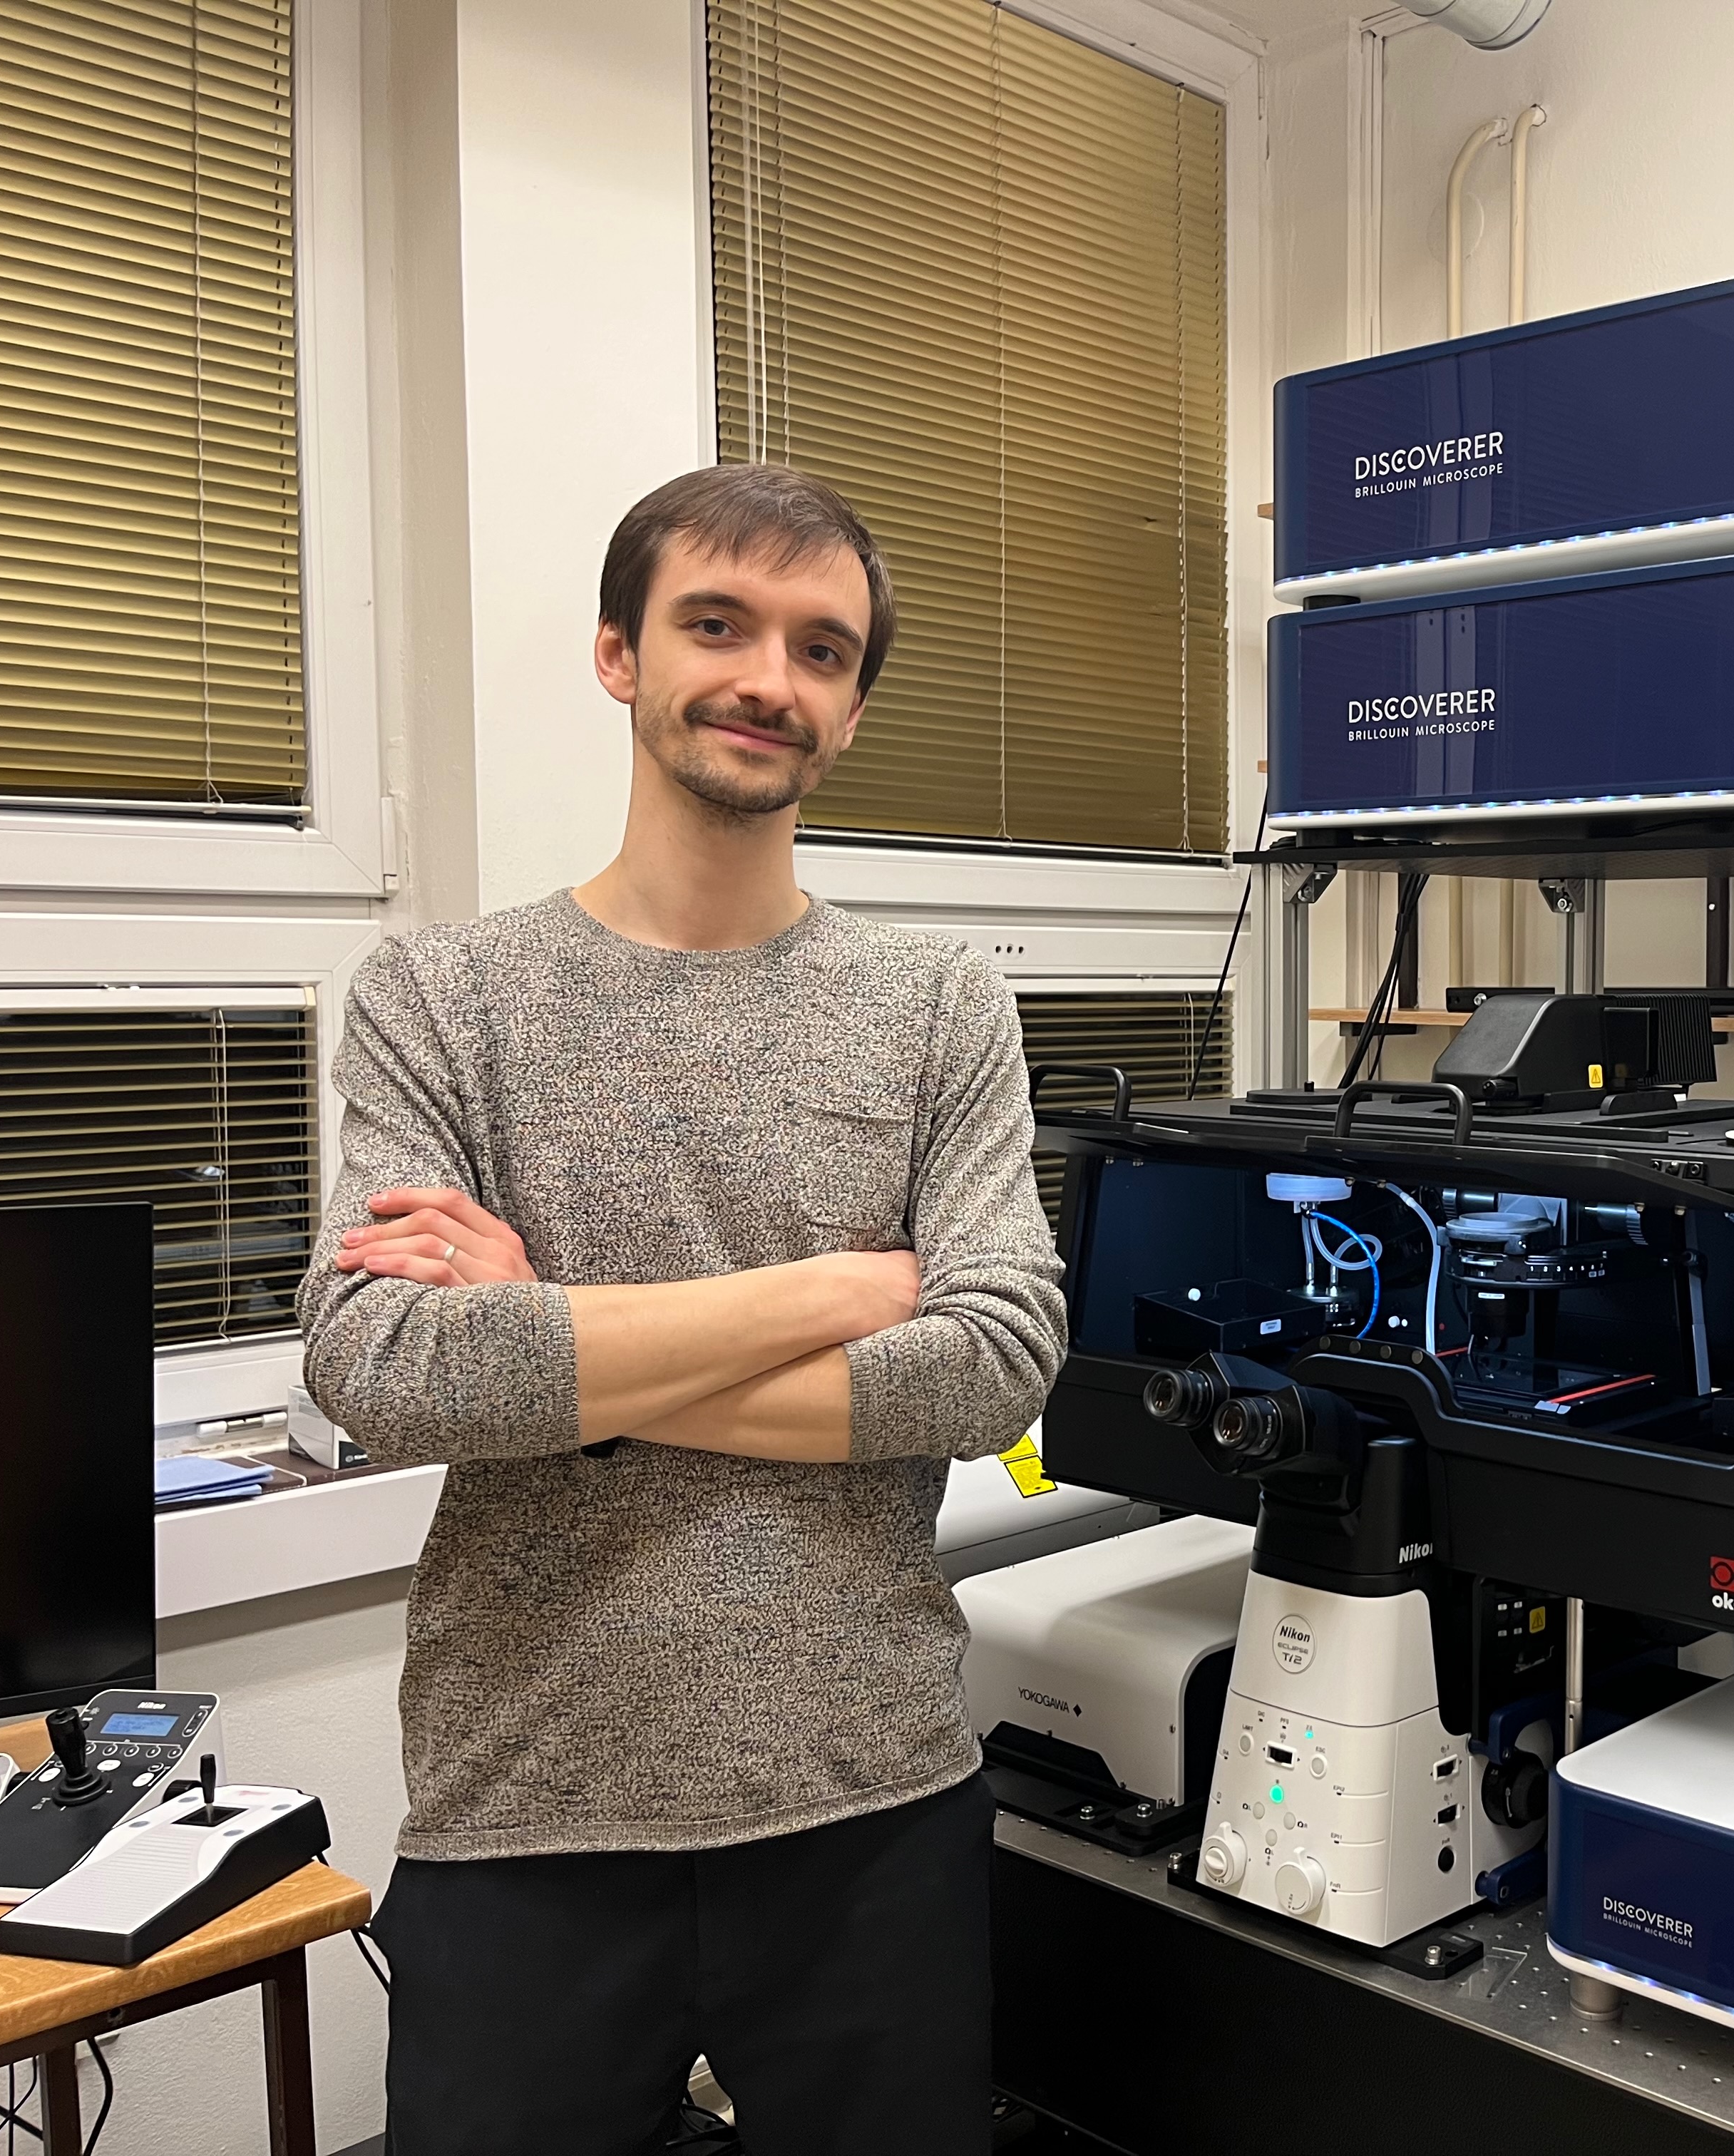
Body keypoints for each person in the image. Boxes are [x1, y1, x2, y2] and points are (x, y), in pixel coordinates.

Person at [299, 463, 1066, 2154]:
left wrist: (553, 1341)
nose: (766, 679)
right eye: (716, 624)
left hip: (873, 1799)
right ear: (619, 655)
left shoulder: (937, 1006)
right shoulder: (444, 996)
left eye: (820, 648)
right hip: (529, 1813)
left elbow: (997, 1365)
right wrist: (839, 1293)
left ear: (852, 708)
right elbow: (383, 1364)